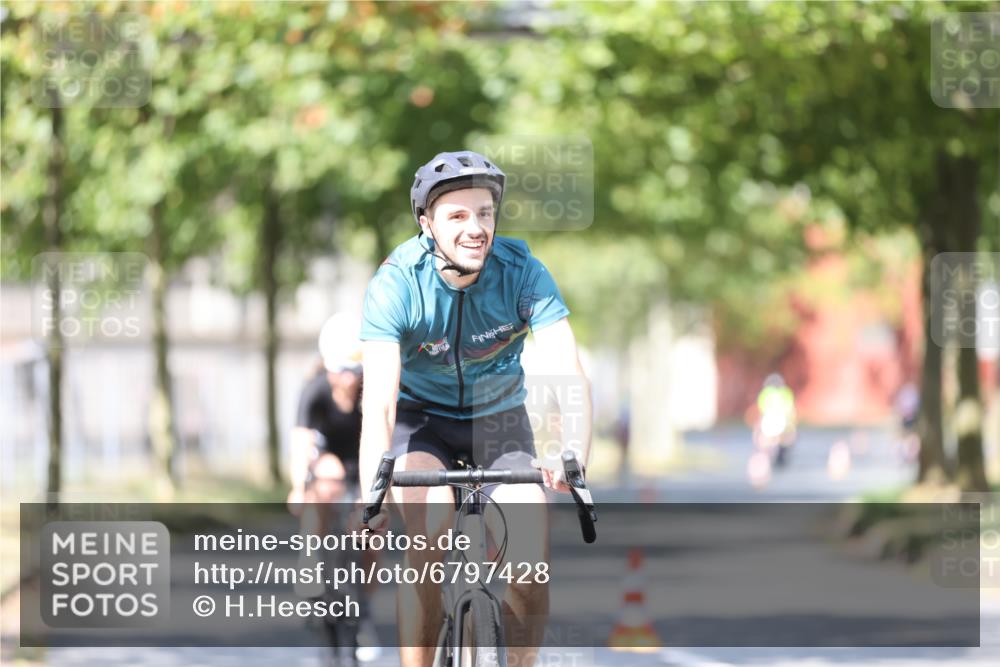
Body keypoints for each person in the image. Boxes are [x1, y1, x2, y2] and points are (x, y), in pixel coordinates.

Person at [359, 150, 591, 667]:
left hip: (500, 419)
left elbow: (566, 368)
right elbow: (377, 401)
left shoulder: (522, 271)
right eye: (458, 215)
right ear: (427, 224)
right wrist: (370, 493)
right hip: (421, 424)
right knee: (427, 538)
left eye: (484, 213)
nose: (476, 228)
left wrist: (573, 450)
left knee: (530, 567)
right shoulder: (398, 282)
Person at [287, 313, 381, 662]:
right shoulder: (314, 390)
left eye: (352, 372)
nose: (345, 379)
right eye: (339, 371)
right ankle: (311, 556)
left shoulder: (371, 391)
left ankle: (365, 607)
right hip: (329, 463)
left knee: (373, 529)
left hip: (362, 466)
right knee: (327, 478)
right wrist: (298, 486)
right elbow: (300, 443)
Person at [755, 373, 797, 467]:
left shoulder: (766, 393)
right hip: (780, 419)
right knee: (785, 440)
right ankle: (780, 456)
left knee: (766, 441)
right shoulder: (786, 392)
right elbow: (790, 409)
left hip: (770, 418)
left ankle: (767, 456)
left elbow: (762, 408)